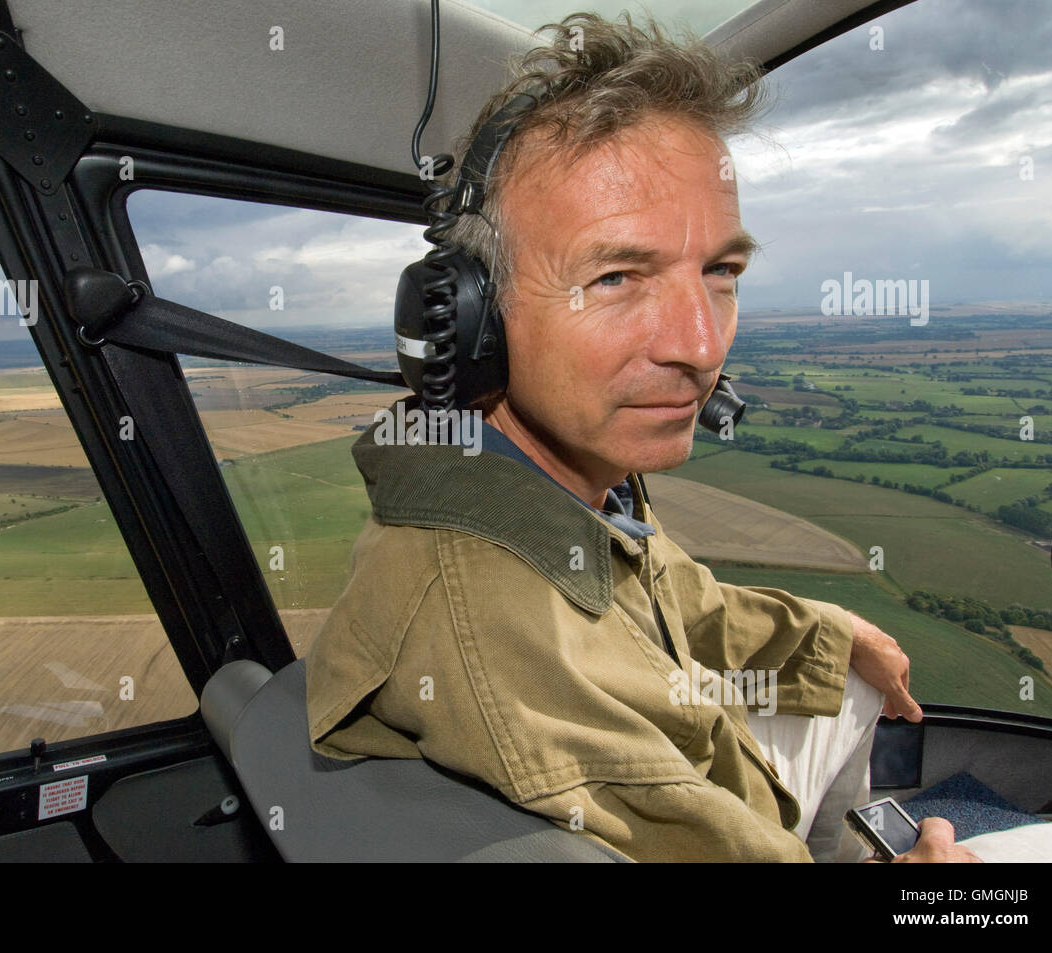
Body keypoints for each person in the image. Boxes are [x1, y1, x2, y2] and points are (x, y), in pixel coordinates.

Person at [306, 11, 979, 863]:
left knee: (846, 673)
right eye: (616, 275)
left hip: (709, 758)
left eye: (720, 272)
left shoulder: (542, 482)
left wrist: (830, 634)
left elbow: (677, 602)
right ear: (474, 323)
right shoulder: (516, 646)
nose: (700, 346)